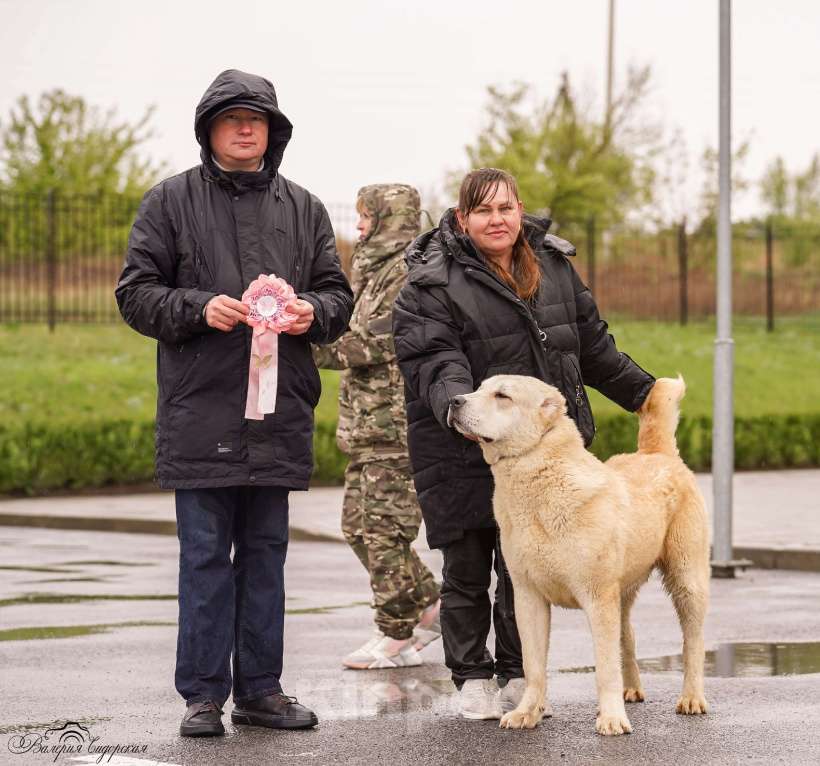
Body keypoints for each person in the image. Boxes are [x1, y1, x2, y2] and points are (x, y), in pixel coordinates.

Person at [115, 69, 353, 737]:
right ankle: (200, 696)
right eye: (232, 118)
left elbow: (339, 294)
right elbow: (135, 293)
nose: (246, 127)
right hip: (201, 413)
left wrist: (314, 312)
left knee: (266, 557)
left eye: (258, 119)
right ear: (209, 130)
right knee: (203, 559)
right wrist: (196, 307)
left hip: (277, 417)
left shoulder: (303, 208)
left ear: (273, 133)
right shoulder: (168, 202)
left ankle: (262, 691)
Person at [392, 167, 655, 720]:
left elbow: (590, 345)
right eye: (483, 210)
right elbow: (435, 360)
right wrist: (459, 411)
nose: (497, 219)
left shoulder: (552, 265)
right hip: (458, 444)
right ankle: (471, 678)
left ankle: (519, 677)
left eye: (505, 208)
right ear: (462, 218)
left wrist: (644, 394)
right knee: (466, 566)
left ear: (519, 210)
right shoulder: (430, 280)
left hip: (543, 454)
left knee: (524, 571)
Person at [314, 184, 441, 669]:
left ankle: (395, 633)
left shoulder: (409, 274)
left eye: (367, 217)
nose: (360, 226)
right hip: (366, 427)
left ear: (390, 219)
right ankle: (429, 603)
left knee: (384, 533)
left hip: (396, 429)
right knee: (356, 529)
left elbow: (372, 342)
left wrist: (298, 344)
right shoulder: (371, 270)